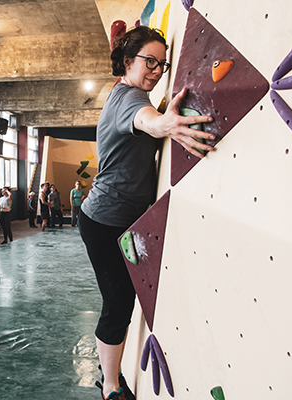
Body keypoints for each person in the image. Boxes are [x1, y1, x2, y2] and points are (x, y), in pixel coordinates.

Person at [79, 26, 215, 400]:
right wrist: (165, 124)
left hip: (127, 219)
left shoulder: (130, 91)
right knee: (117, 302)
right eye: (149, 61)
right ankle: (109, 384)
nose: (156, 70)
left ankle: (112, 374)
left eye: (161, 63)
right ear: (128, 63)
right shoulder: (129, 97)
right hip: (103, 221)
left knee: (128, 297)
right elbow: (144, 119)